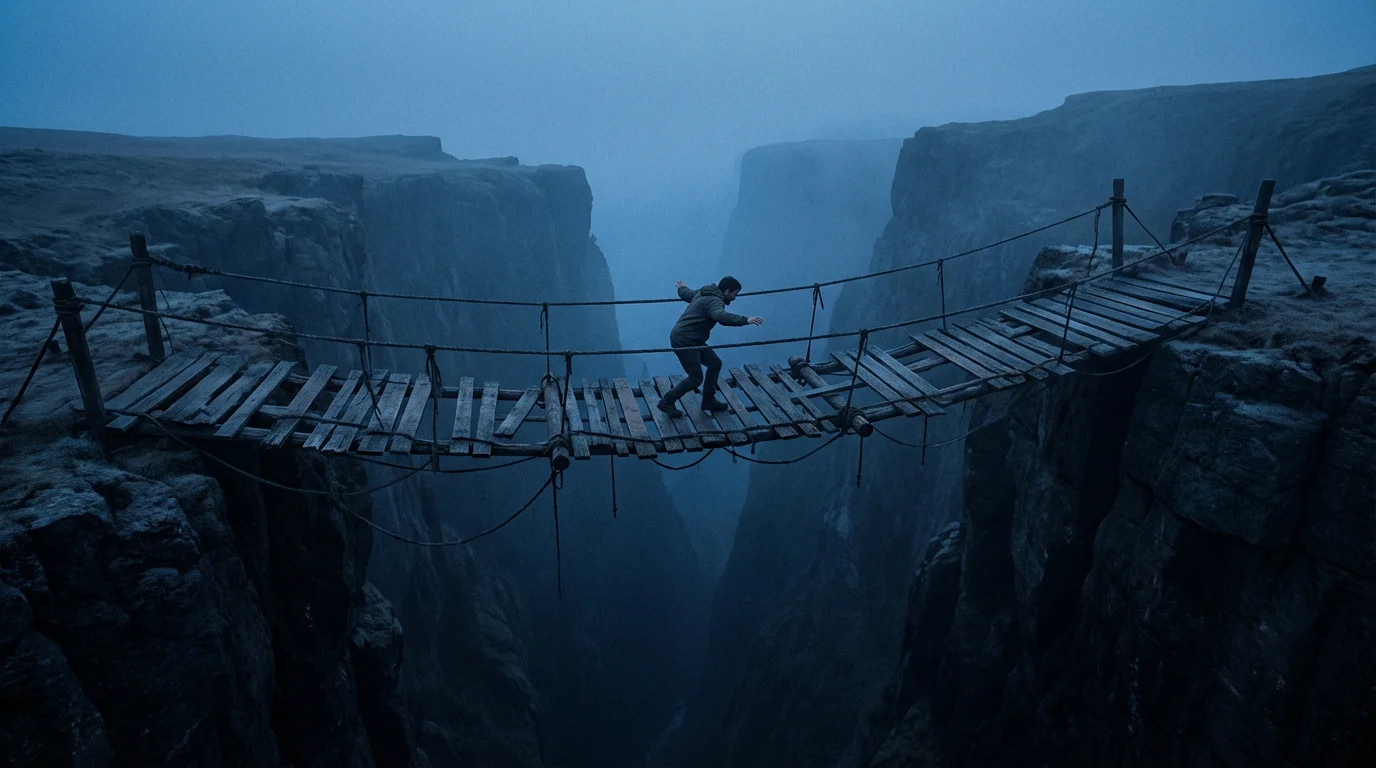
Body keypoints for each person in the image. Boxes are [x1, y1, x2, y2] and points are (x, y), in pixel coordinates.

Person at [656, 276, 764, 417]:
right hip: (685, 340)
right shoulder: (714, 300)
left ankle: (708, 400)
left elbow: (687, 295)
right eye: (734, 294)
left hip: (693, 339)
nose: (734, 297)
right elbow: (720, 316)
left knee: (715, 363)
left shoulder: (705, 291)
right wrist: (746, 320)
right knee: (695, 378)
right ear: (726, 291)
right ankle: (666, 402)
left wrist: (681, 287)